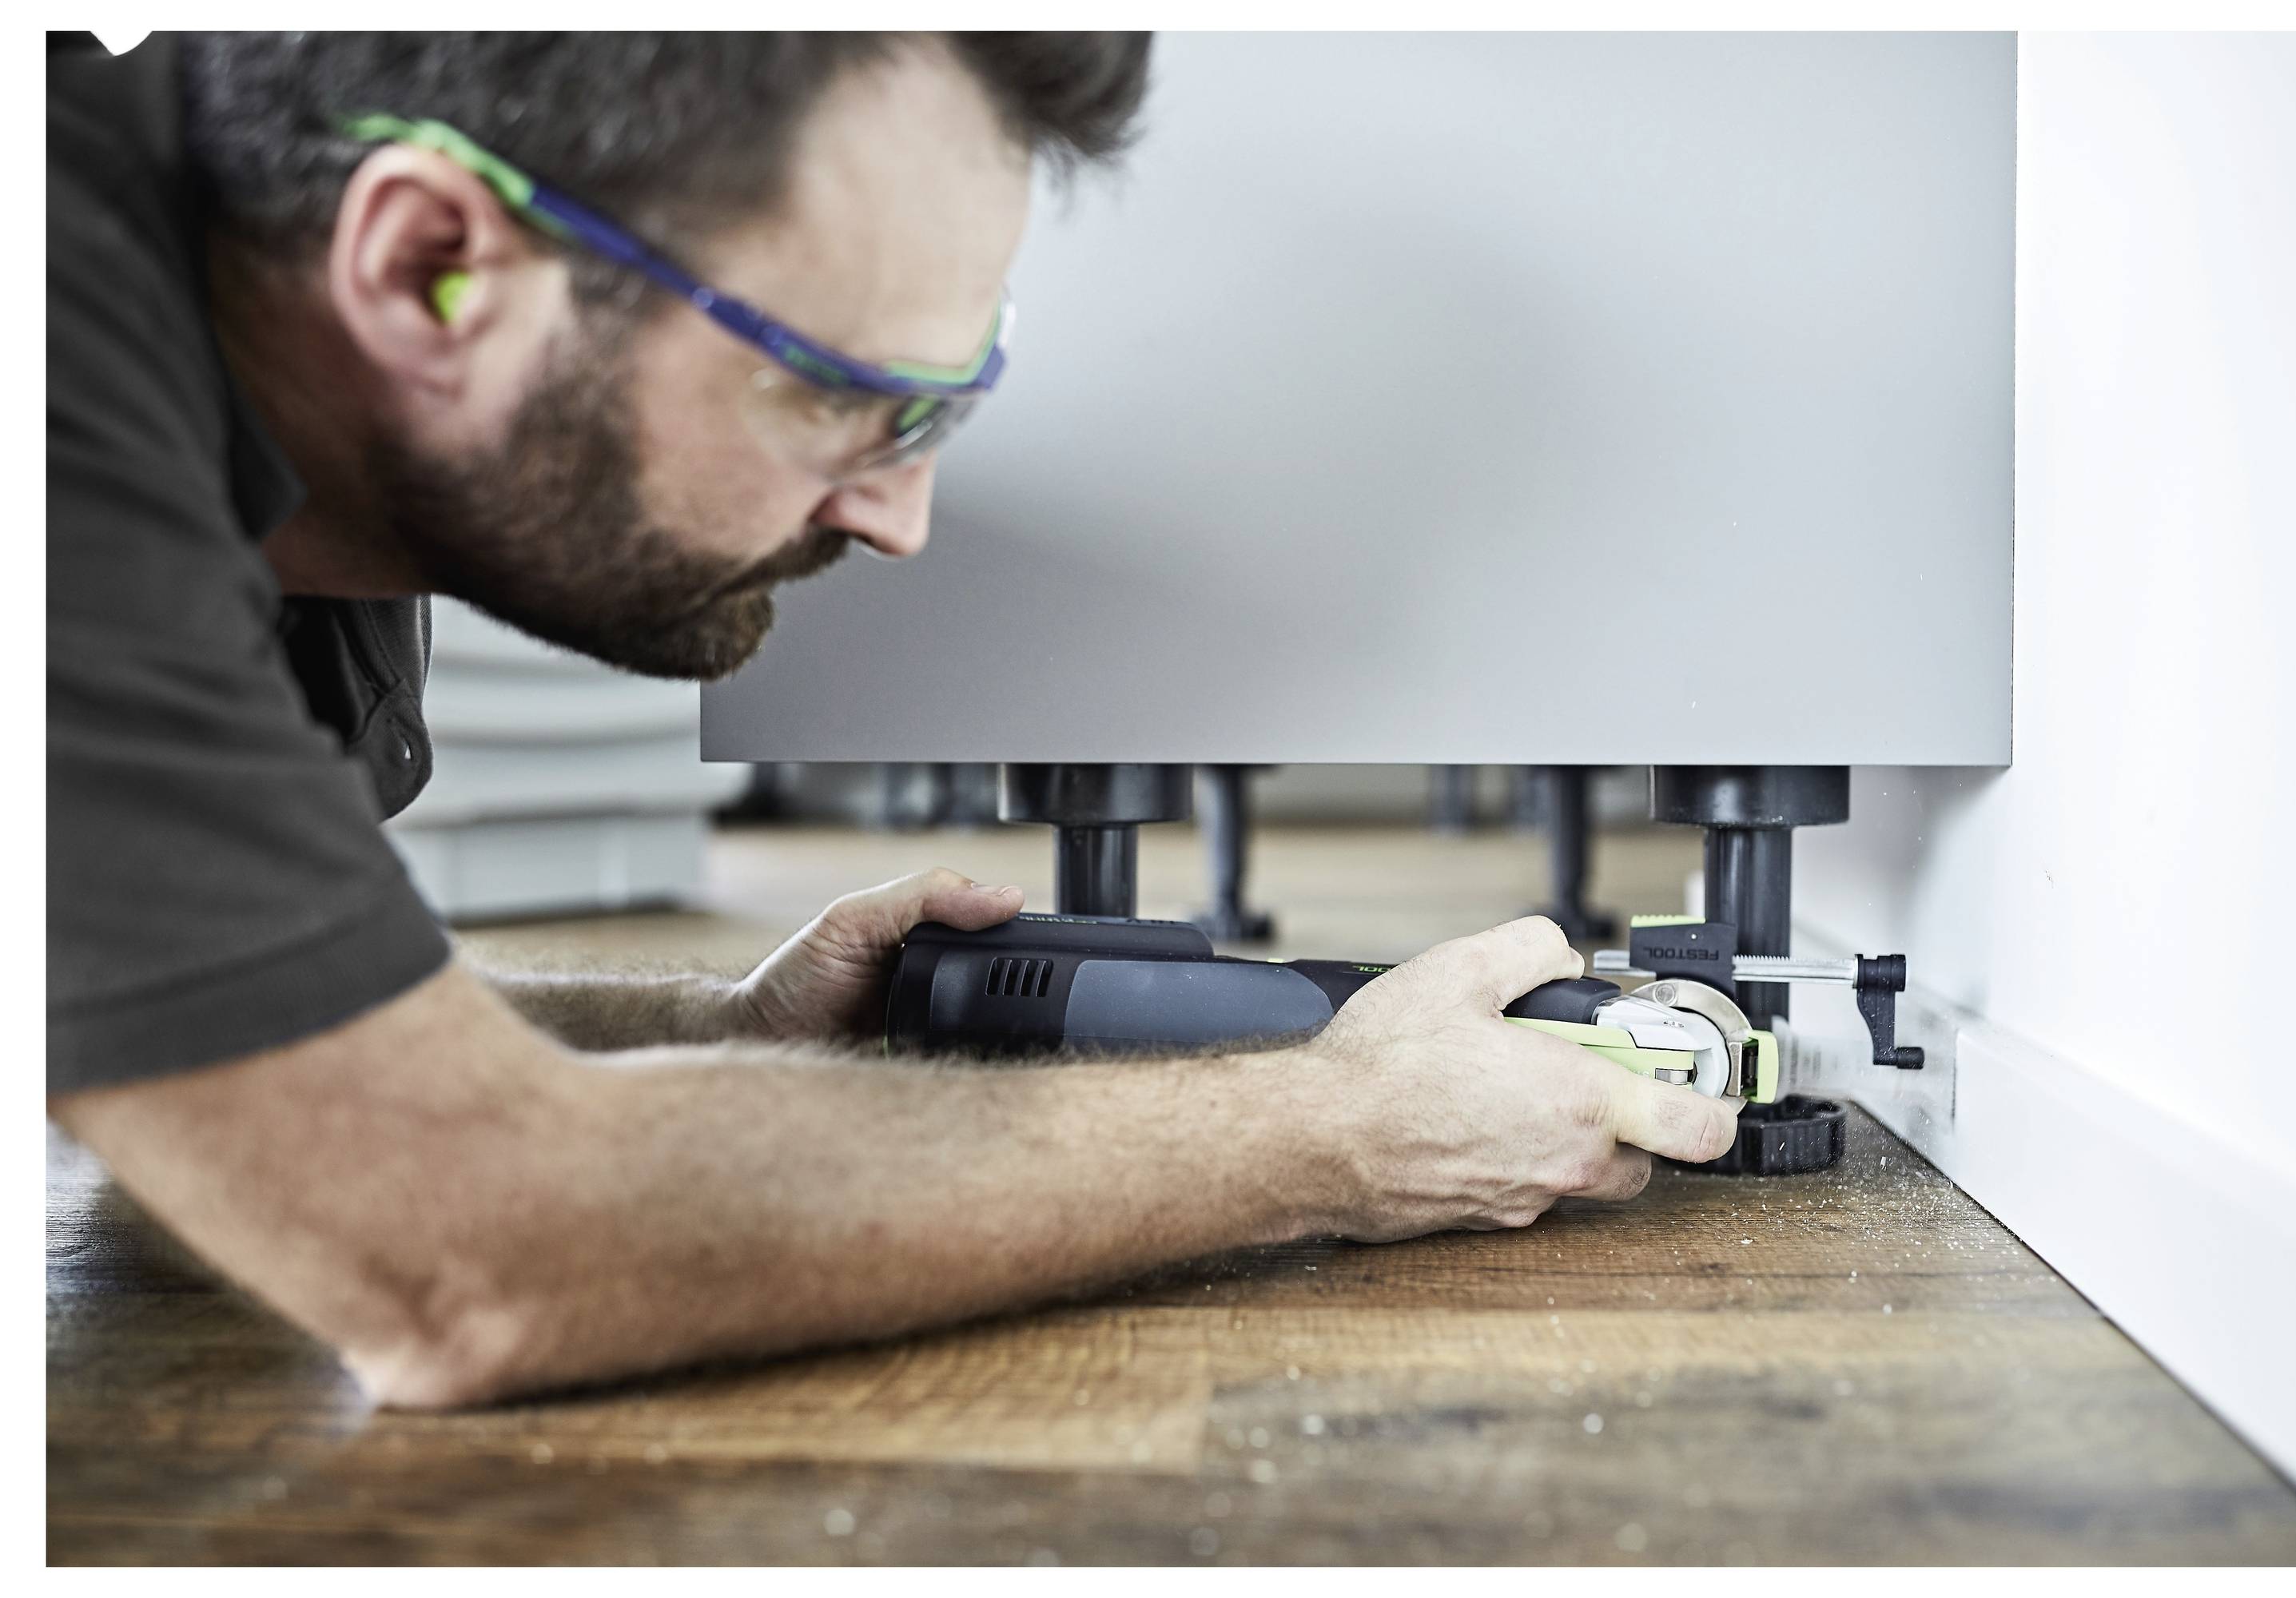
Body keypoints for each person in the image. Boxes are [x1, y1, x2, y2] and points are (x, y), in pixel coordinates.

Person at [46, 32, 1738, 1409]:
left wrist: (744, 1035)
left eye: (947, 405)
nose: (901, 518)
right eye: (843, 395)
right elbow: (463, 1248)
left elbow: (278, 1054)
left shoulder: (274, 463)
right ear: (429, 267)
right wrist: (1340, 1134)